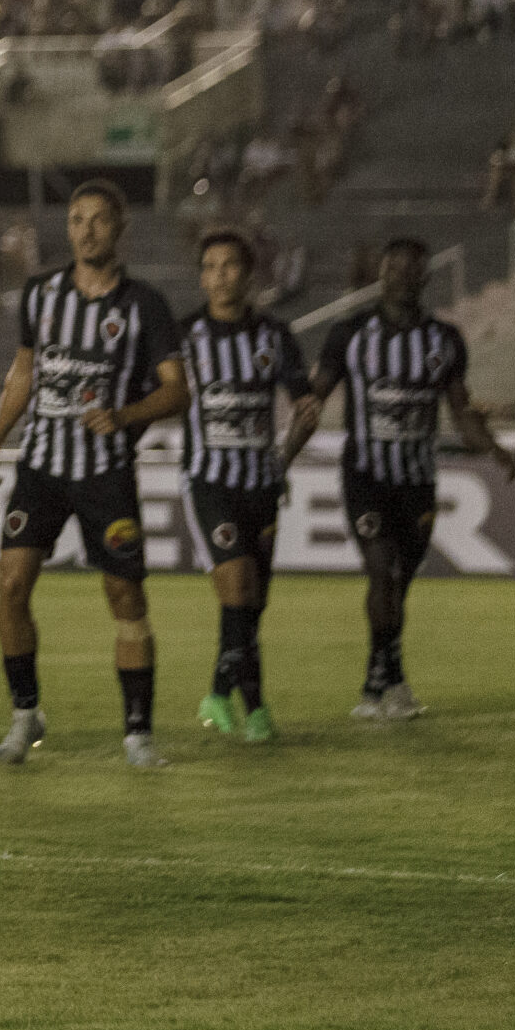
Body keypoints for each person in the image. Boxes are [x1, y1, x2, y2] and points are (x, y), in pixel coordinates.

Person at [0, 181, 188, 769]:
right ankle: (25, 716)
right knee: (12, 584)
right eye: (76, 220)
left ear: (119, 227)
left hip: (105, 473)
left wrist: (123, 416)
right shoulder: (41, 293)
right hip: (42, 467)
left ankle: (138, 734)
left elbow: (177, 391)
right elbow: (25, 372)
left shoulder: (144, 305)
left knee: (123, 593)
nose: (86, 230)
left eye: (98, 220)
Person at [294, 239, 515, 719]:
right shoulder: (349, 334)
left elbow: (461, 411)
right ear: (381, 273)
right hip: (365, 477)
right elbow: (313, 402)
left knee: (400, 585)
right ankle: (377, 683)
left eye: (410, 269)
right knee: (384, 572)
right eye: (392, 268)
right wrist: (282, 458)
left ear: (425, 276)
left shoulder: (445, 341)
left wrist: (494, 447)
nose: (400, 276)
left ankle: (391, 679)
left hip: (417, 481)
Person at [178, 230, 316, 743]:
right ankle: (217, 693)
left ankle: (254, 707)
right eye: (210, 266)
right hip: (208, 482)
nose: (219, 275)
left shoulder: (275, 337)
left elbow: (304, 406)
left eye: (230, 265)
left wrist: (286, 454)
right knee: (237, 583)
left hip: (261, 484)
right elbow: (159, 392)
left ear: (248, 273)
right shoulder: (183, 335)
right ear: (201, 277)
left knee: (250, 605)